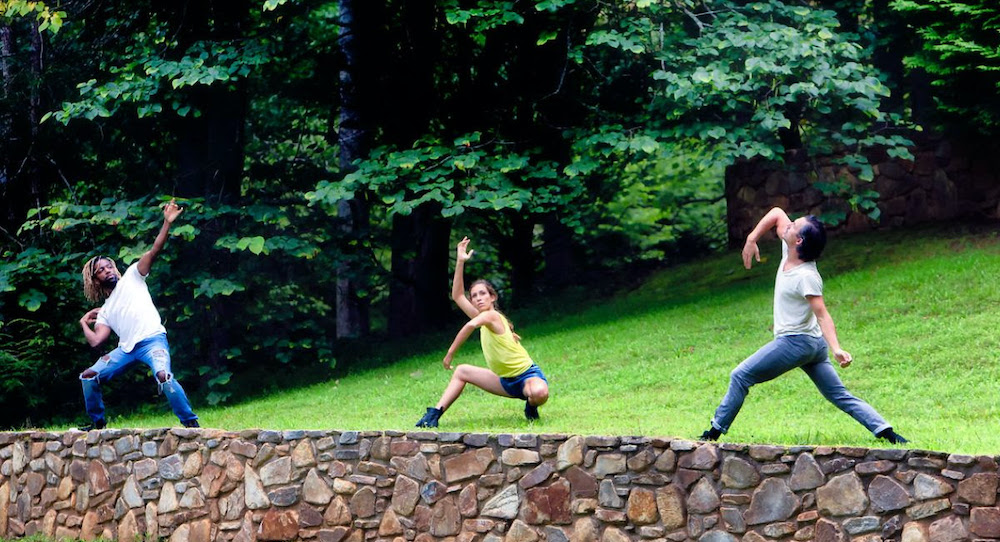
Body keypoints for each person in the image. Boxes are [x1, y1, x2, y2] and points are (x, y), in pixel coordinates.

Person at [699, 207, 906, 444]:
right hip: (813, 346)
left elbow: (822, 315)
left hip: (795, 343)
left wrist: (837, 349)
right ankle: (887, 432)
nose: (787, 225)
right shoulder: (789, 249)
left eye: (793, 225)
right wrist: (751, 239)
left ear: (799, 240)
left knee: (740, 375)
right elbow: (776, 213)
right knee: (838, 394)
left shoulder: (806, 276)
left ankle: (713, 432)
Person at [77, 199, 199, 431]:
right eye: (101, 270)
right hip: (126, 350)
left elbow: (155, 249)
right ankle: (98, 424)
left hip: (152, 340)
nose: (107, 270)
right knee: (88, 376)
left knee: (164, 376)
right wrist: (84, 322)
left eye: (109, 266)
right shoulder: (106, 310)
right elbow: (96, 341)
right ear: (96, 279)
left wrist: (167, 223)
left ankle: (191, 424)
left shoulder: (134, 275)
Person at [415, 237, 550, 428]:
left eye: (482, 294)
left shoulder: (491, 317)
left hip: (527, 376)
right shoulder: (481, 316)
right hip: (504, 382)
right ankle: (434, 414)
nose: (478, 298)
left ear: (492, 297)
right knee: (462, 371)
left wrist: (450, 354)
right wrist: (460, 261)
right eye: (474, 296)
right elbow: (457, 296)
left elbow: (470, 326)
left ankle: (530, 407)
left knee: (539, 393)